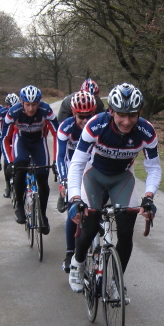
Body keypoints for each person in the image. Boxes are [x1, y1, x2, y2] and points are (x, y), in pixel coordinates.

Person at [67, 83, 161, 299]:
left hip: (122, 178)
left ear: (139, 113)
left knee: (126, 233)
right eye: (120, 115)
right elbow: (78, 163)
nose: (126, 121)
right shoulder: (95, 125)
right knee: (89, 228)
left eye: (132, 115)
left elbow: (153, 168)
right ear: (111, 112)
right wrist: (75, 197)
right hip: (94, 176)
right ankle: (78, 262)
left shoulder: (146, 131)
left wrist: (148, 196)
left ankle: (117, 282)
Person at [1, 85, 58, 234]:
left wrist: (56, 161)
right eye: (27, 104)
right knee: (19, 170)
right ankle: (19, 206)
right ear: (21, 102)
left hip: (39, 142)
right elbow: (4, 139)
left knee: (43, 179)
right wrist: (9, 161)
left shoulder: (46, 110)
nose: (31, 108)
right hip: (22, 142)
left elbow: (58, 135)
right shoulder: (13, 112)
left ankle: (43, 216)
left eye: (34, 104)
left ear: (39, 103)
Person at [55, 90, 97, 273]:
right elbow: (60, 156)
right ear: (73, 113)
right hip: (71, 166)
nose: (85, 120)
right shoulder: (65, 127)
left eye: (89, 116)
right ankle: (69, 252)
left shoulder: (98, 126)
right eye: (81, 116)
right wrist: (64, 180)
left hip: (91, 166)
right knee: (74, 210)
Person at [0, 93, 20, 197]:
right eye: (10, 106)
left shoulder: (20, 112)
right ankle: (7, 185)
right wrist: (0, 136)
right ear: (6, 106)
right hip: (6, 136)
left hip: (17, 137)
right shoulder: (2, 112)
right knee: (7, 161)